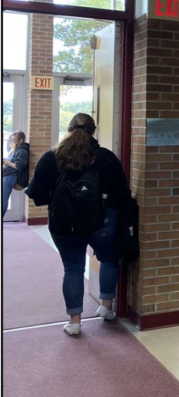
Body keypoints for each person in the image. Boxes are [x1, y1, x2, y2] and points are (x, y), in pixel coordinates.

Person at [25, 113, 132, 336]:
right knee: (109, 259)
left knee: (72, 268)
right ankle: (106, 307)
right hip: (102, 222)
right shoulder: (106, 157)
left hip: (64, 224)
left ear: (69, 129)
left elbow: (37, 194)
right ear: (94, 131)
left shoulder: (51, 157)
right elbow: (122, 193)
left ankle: (74, 322)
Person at [3, 131, 30, 218]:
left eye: (14, 140)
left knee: (4, 198)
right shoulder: (16, 149)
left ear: (20, 140)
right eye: (11, 139)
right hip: (8, 174)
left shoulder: (22, 150)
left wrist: (5, 161)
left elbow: (18, 166)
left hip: (10, 176)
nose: (11, 141)